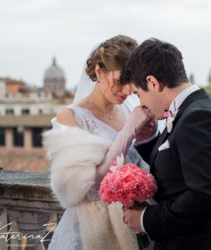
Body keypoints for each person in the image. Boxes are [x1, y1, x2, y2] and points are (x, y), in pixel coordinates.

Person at [120, 38, 211, 250]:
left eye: (138, 93)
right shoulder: (192, 111)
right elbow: (180, 169)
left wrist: (145, 219)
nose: (140, 103)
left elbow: (204, 197)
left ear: (153, 82)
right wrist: (149, 140)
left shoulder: (198, 118)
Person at [43, 35, 156, 250]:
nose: (126, 91)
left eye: (131, 83)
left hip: (136, 225)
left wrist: (149, 138)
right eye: (119, 81)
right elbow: (89, 187)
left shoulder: (128, 108)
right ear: (98, 71)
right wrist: (129, 131)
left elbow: (145, 164)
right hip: (91, 231)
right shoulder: (70, 117)